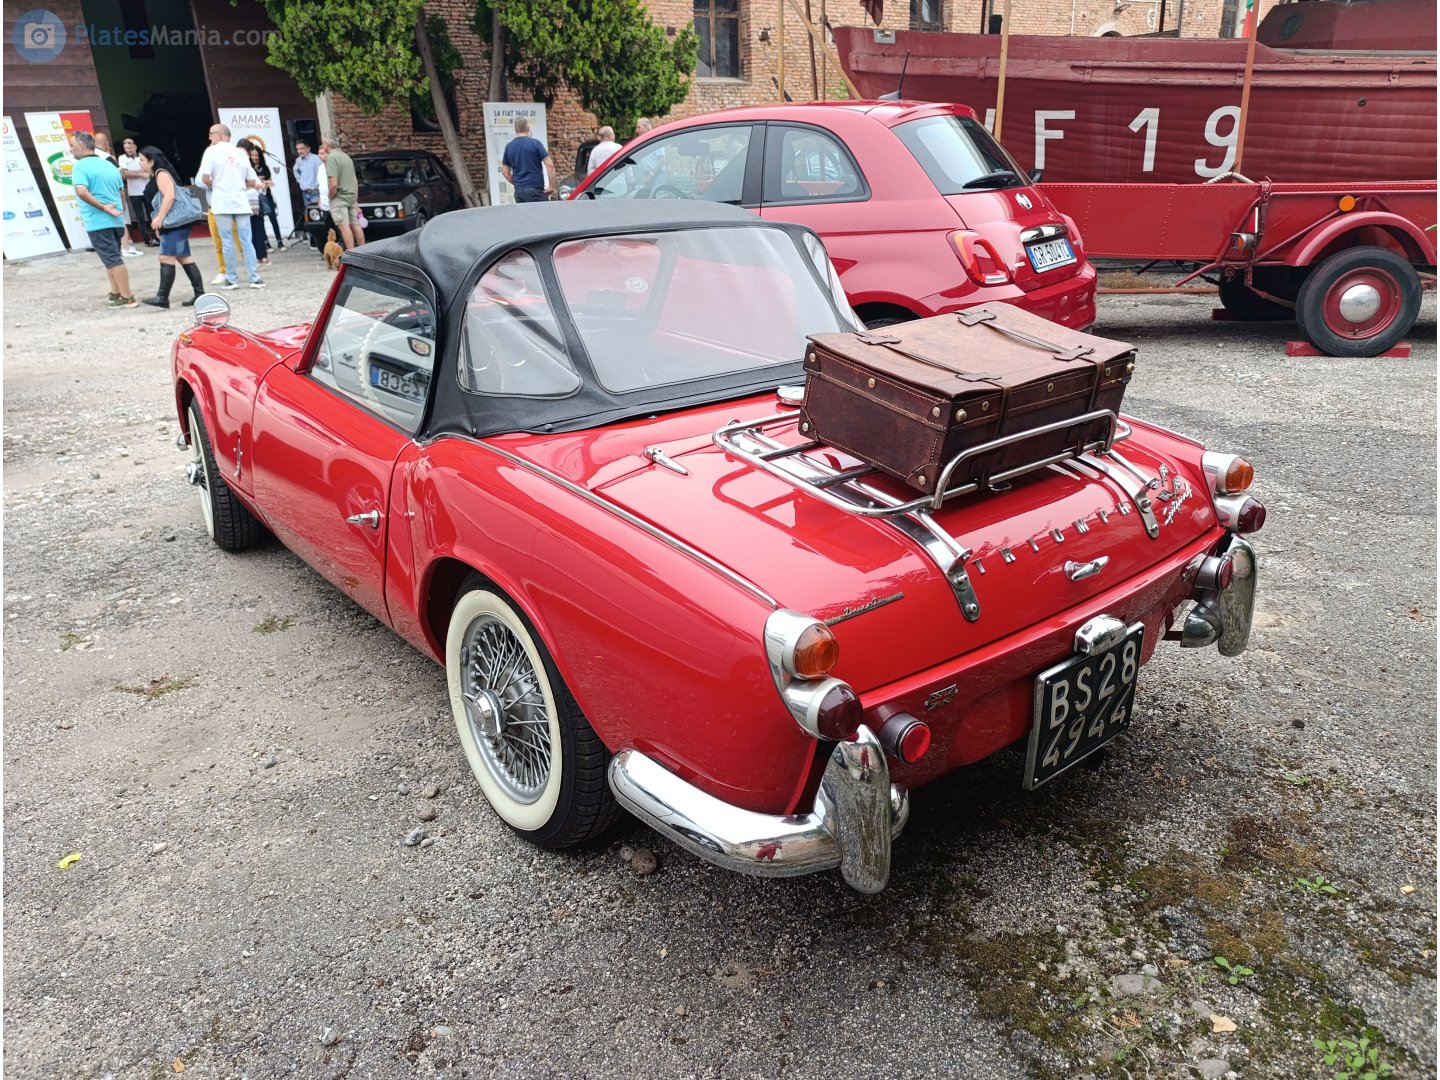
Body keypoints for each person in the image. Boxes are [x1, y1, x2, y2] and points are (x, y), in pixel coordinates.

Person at [70, 132, 136, 307]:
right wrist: (120, 210)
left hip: (98, 220)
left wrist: (102, 207)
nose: (70, 149)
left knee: (113, 259)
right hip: (115, 220)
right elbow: (122, 193)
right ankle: (116, 291)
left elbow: (82, 191)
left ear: (81, 146)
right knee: (110, 258)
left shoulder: (80, 167)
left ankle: (127, 296)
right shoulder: (109, 165)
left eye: (72, 145)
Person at [198, 122, 264, 289]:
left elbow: (204, 178)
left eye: (211, 133)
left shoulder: (211, 151)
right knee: (246, 240)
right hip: (240, 201)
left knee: (226, 241)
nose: (209, 137)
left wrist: (219, 185)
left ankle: (232, 279)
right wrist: (238, 186)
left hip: (221, 201)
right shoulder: (240, 153)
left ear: (220, 135)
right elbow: (251, 180)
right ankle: (254, 277)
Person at [138, 146, 206, 308]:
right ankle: (200, 294)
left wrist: (160, 218)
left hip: (175, 223)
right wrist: (159, 223)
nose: (139, 163)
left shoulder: (161, 174)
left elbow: (169, 196)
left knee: (166, 257)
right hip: (175, 222)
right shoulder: (157, 174)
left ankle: (162, 297)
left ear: (151, 161)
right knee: (184, 257)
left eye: (141, 160)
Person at [320, 135, 361, 249]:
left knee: (344, 226)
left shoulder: (332, 158)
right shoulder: (346, 157)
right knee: (355, 225)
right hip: (351, 195)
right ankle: (364, 251)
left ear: (327, 145)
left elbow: (333, 183)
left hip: (340, 197)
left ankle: (352, 254)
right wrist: (355, 197)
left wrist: (330, 196)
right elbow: (355, 180)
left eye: (323, 143)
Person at [500, 116, 553, 203]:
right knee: (544, 215)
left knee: (523, 216)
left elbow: (505, 172)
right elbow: (550, 166)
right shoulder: (536, 144)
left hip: (519, 193)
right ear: (528, 128)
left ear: (515, 129)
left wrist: (518, 184)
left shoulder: (509, 147)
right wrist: (551, 186)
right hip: (535, 191)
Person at [244, 140, 286, 249]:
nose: (254, 158)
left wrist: (263, 182)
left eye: (256, 155)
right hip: (255, 198)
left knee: (273, 218)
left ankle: (279, 241)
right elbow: (245, 183)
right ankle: (266, 242)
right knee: (260, 220)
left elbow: (271, 182)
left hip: (267, 196)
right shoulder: (248, 168)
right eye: (252, 155)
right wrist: (257, 182)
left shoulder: (265, 167)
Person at [235, 139, 270, 265]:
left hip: (248, 200)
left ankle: (255, 257)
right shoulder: (242, 161)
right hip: (247, 199)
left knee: (250, 230)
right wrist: (259, 184)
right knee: (253, 229)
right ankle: (258, 256)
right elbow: (254, 182)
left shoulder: (238, 161)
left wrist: (259, 184)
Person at [117, 137, 155, 247]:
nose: (128, 150)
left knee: (152, 214)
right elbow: (124, 174)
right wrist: (140, 174)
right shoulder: (122, 158)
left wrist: (133, 173)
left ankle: (155, 237)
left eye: (129, 147)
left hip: (146, 190)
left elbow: (148, 171)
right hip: (134, 192)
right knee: (140, 217)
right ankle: (146, 239)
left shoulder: (142, 156)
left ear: (135, 146)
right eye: (125, 148)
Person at [292, 138, 321, 210]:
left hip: (315, 192)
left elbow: (323, 173)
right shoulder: (298, 160)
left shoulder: (316, 159)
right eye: (297, 149)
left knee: (316, 214)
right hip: (305, 193)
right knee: (308, 214)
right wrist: (300, 181)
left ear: (308, 148)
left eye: (302, 148)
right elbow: (295, 170)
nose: (299, 151)